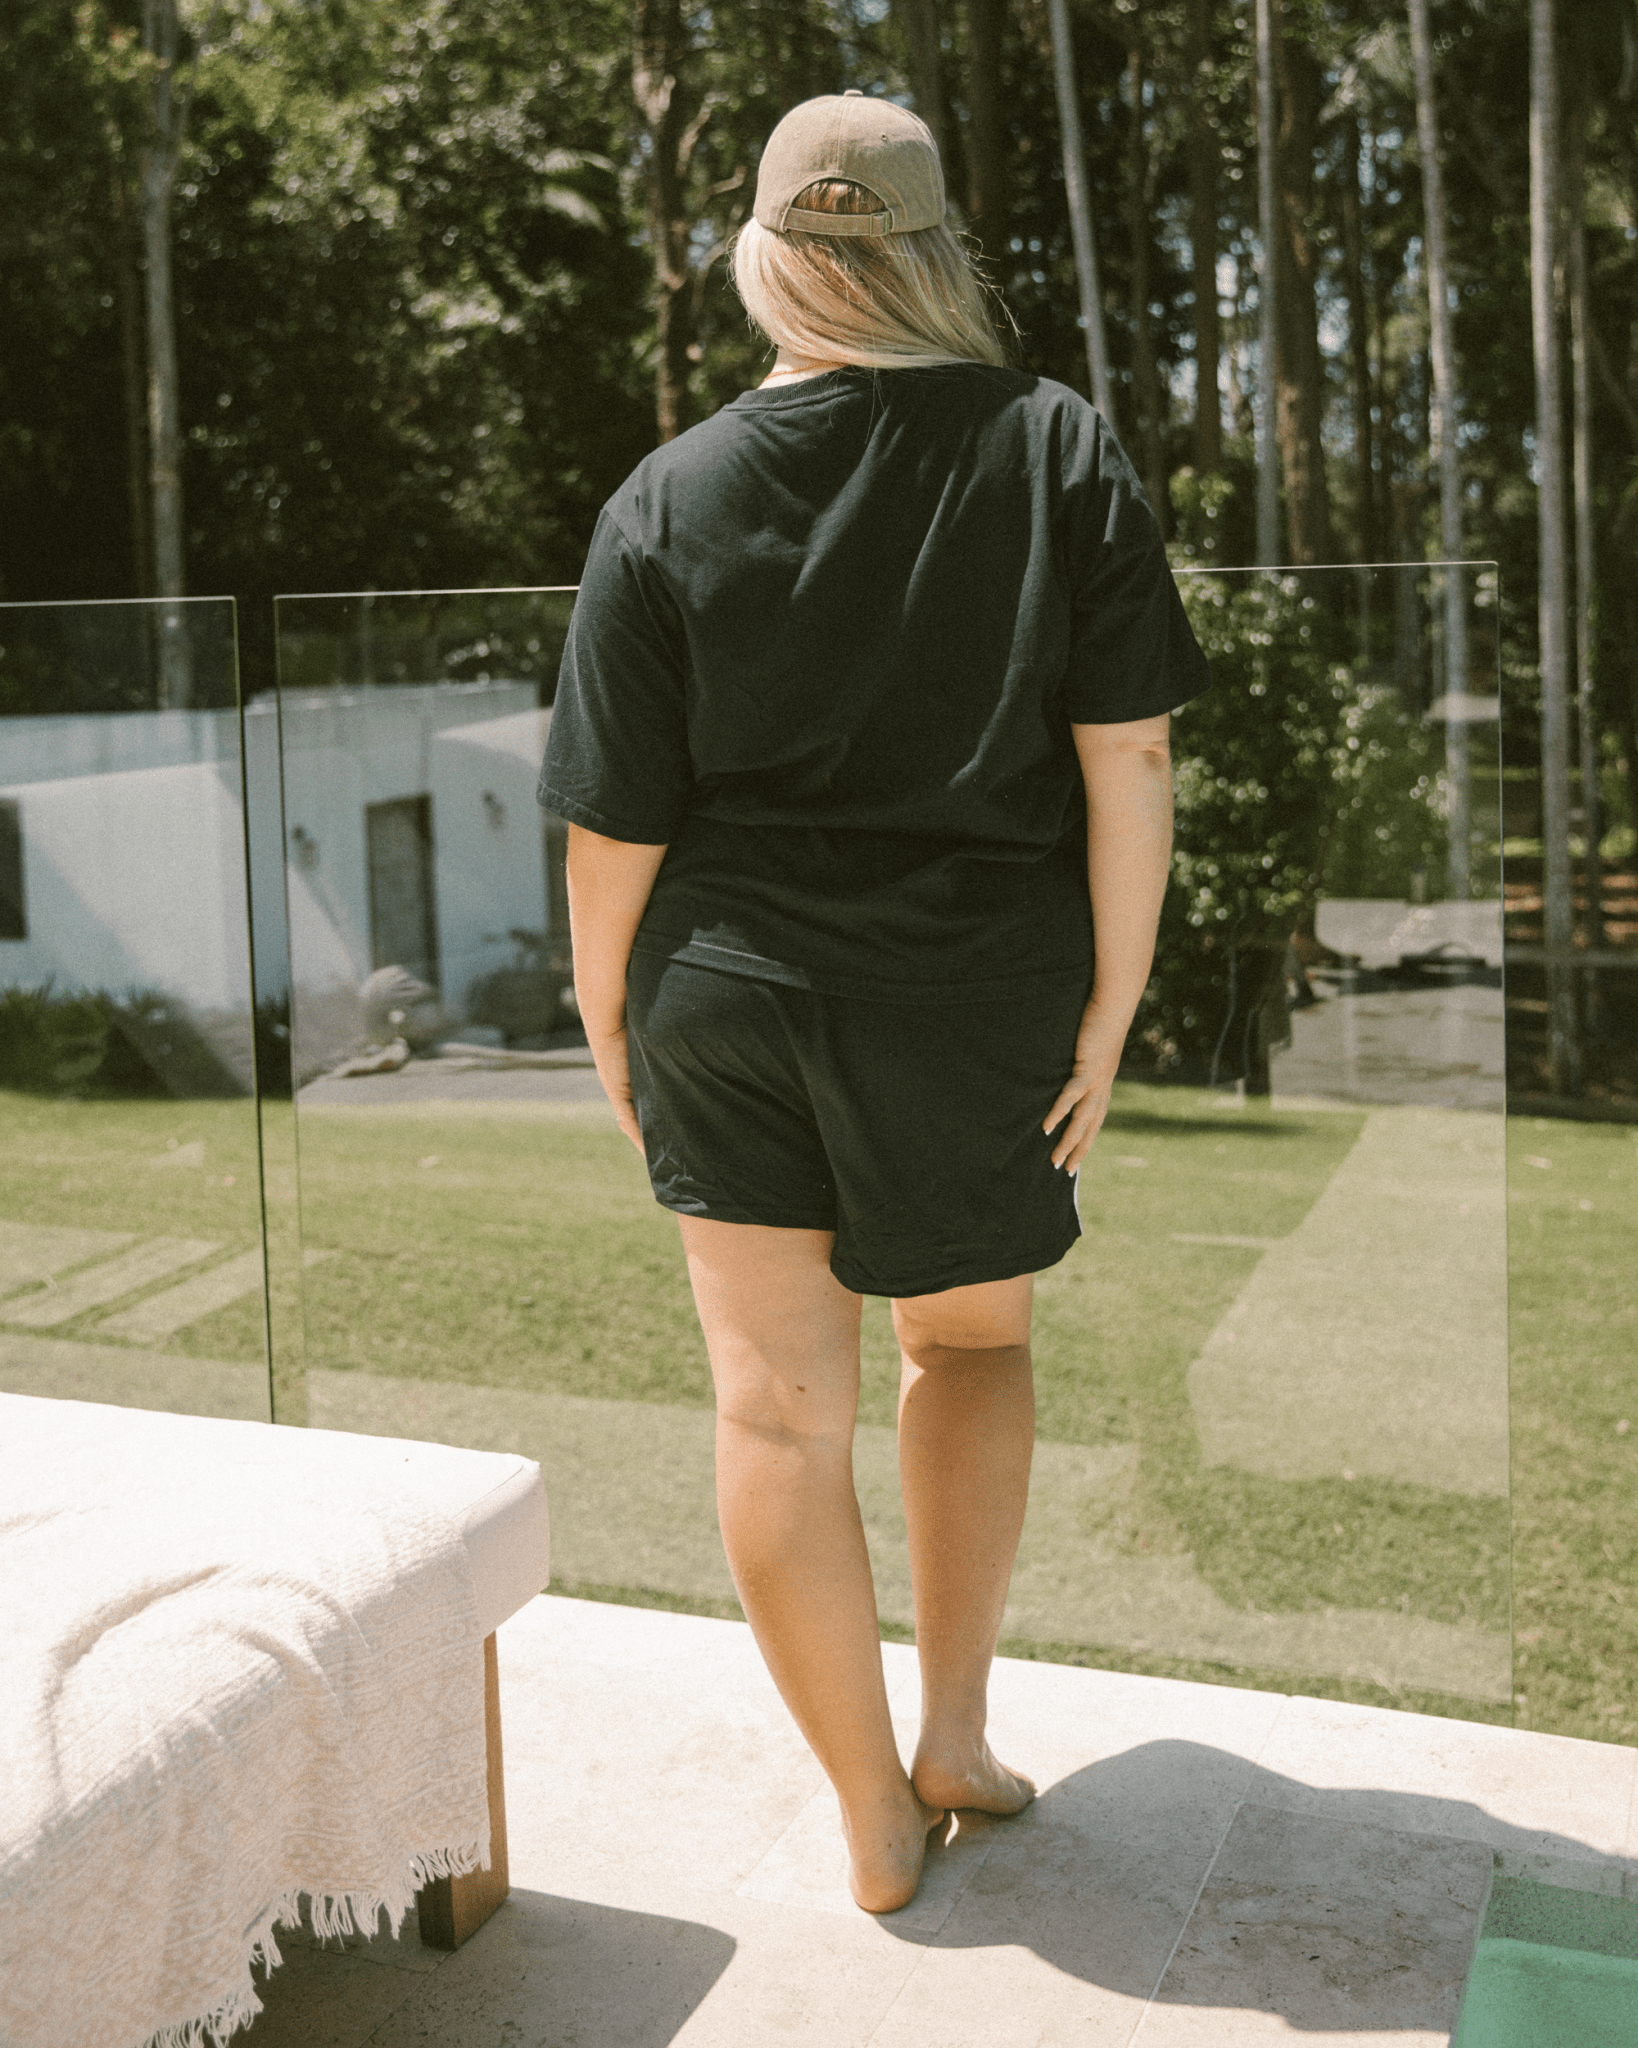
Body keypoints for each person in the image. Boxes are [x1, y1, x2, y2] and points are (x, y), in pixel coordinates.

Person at [538, 91, 1210, 1914]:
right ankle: (952, 1738)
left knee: (773, 1415)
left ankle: (866, 1816)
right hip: (974, 999)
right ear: (933, 258)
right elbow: (1131, 756)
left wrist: (606, 1013)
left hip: (726, 997)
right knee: (966, 1349)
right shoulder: (1051, 443)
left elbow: (612, 825)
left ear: (764, 254)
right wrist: (1110, 1010)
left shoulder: (668, 492)